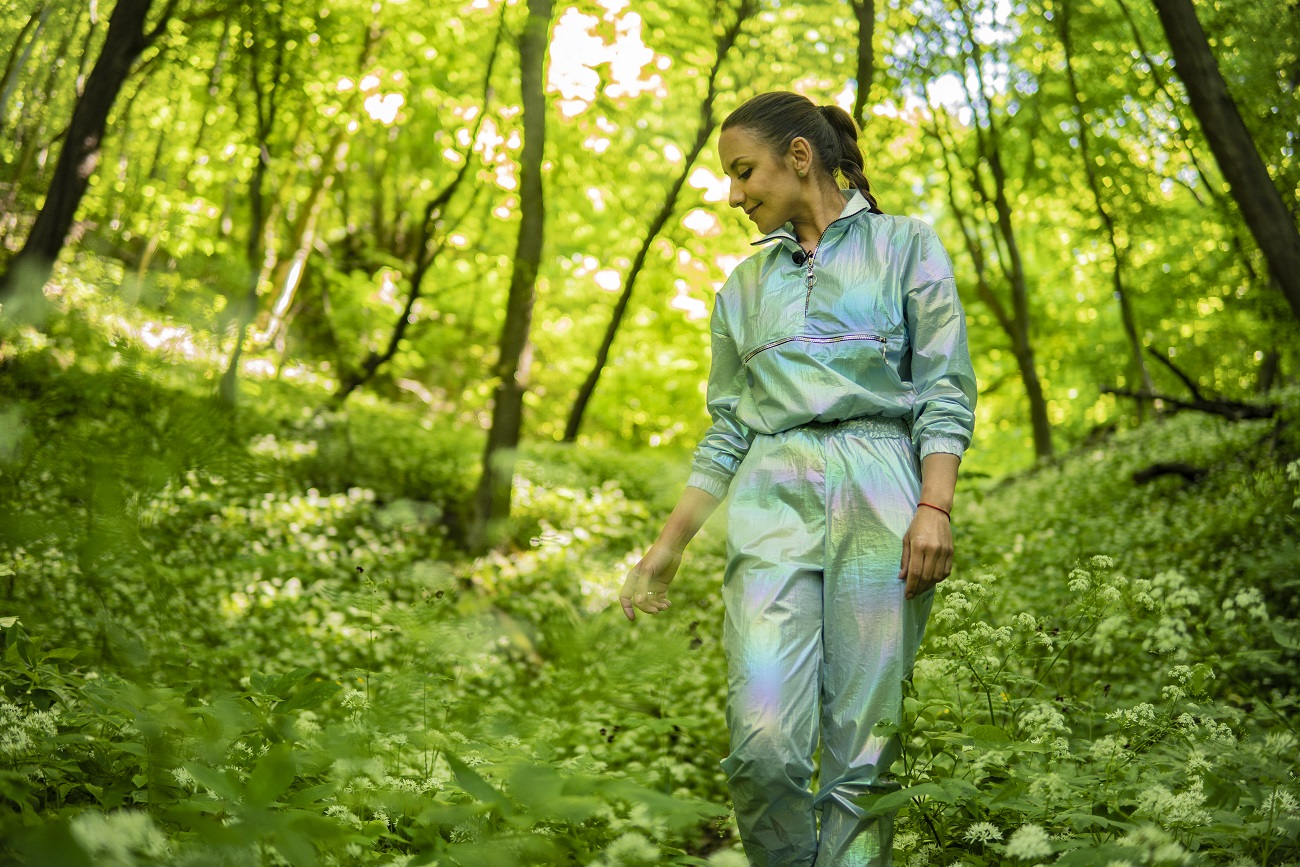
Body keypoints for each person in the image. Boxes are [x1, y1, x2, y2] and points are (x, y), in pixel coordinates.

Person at [618, 90, 977, 866]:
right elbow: (728, 429)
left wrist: (935, 505)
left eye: (743, 171)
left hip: (884, 491)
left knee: (864, 754)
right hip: (771, 496)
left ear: (800, 156)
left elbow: (943, 387)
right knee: (762, 744)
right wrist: (668, 544)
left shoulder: (907, 246)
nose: (734, 194)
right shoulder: (742, 290)